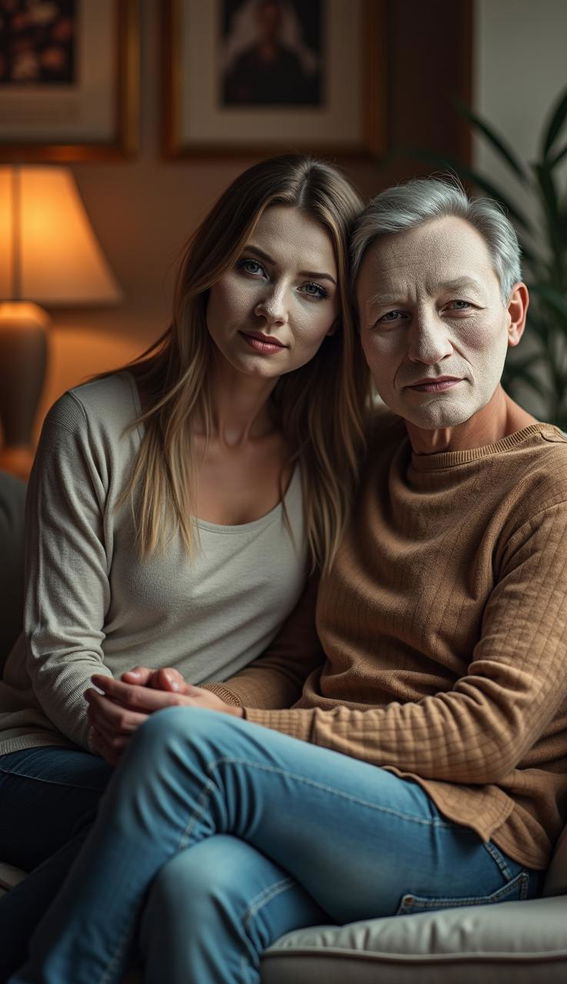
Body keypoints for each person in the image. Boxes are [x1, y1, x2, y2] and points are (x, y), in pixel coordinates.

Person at [11, 177, 567, 984]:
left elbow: (488, 734)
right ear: (359, 342)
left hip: (475, 834)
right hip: (340, 806)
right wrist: (209, 705)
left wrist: (226, 729)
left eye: (459, 307)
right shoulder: (365, 460)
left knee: (186, 749)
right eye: (391, 318)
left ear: (513, 314)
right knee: (197, 887)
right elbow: (295, 663)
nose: (428, 346)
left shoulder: (558, 489)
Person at [0, 154, 368, 976]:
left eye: (314, 289)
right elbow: (61, 650)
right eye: (254, 267)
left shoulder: (343, 453)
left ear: (341, 317)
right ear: (209, 270)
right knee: (201, 809)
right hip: (41, 750)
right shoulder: (94, 422)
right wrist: (136, 735)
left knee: (195, 805)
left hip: (204, 748)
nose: (274, 309)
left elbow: (289, 657)